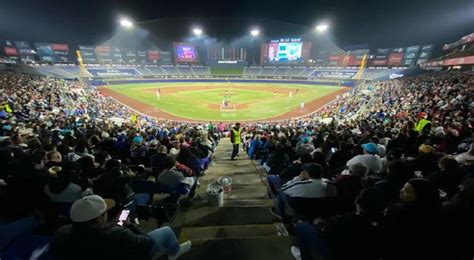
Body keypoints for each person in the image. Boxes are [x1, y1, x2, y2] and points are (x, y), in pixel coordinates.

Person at [49, 195, 191, 260]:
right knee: (166, 231)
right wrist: (131, 226)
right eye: (105, 213)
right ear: (99, 218)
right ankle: (175, 252)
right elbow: (146, 243)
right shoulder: (116, 233)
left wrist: (113, 226)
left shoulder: (61, 232)